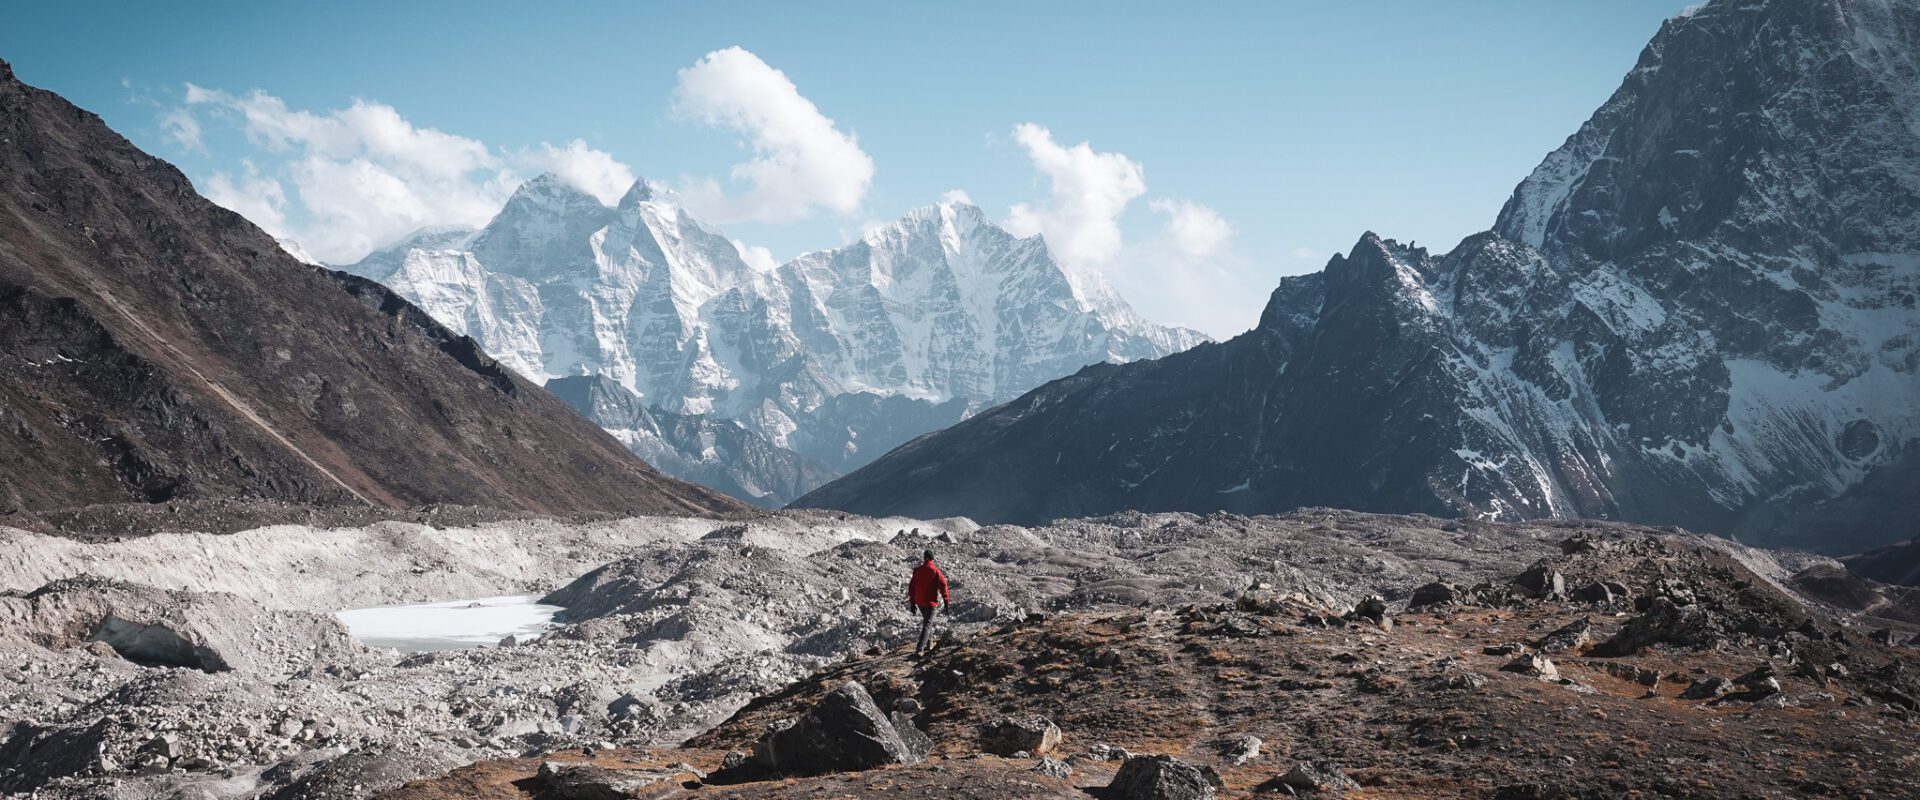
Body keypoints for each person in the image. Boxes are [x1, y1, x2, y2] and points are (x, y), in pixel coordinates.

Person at [907, 548, 950, 654]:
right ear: (932, 558)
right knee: (927, 625)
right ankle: (919, 649)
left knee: (928, 623)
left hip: (919, 602)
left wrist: (912, 602)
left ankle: (929, 645)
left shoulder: (917, 571)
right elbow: (943, 586)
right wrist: (946, 600)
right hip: (930, 603)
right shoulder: (935, 571)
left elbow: (911, 587)